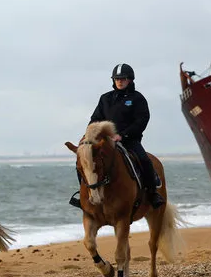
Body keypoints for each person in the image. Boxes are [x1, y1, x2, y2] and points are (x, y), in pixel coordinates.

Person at [70, 63, 166, 209]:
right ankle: (84, 194)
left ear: (130, 80)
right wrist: (88, 136)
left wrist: (123, 135)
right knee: (83, 161)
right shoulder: (105, 98)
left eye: (123, 78)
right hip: (105, 142)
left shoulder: (137, 98)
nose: (120, 81)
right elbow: (95, 119)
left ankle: (153, 194)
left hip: (129, 141)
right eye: (117, 79)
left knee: (144, 159)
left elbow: (142, 120)